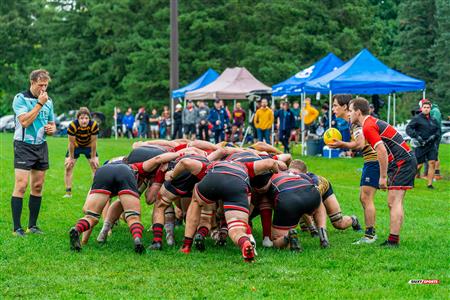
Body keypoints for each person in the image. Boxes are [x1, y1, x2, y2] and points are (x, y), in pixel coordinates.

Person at [350, 97, 417, 247]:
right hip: (402, 161)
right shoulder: (370, 123)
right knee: (393, 202)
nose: (349, 114)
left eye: (350, 110)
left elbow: (380, 150)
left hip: (402, 162)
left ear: (358, 112)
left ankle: (393, 241)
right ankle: (393, 240)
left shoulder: (368, 126)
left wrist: (382, 177)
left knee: (394, 202)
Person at [11, 69, 56, 236]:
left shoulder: (49, 101)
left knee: (37, 186)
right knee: (21, 185)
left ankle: (32, 226)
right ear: (32, 83)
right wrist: (39, 103)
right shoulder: (20, 98)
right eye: (40, 85)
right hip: (23, 146)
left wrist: (52, 129)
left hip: (41, 146)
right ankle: (17, 228)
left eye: (45, 85)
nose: (43, 89)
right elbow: (24, 122)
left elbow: (52, 124)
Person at [329, 94, 379, 244]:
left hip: (374, 160)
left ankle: (370, 235)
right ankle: (370, 233)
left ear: (345, 107)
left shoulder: (355, 123)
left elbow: (360, 144)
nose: (333, 109)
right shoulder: (352, 123)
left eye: (335, 105)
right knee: (364, 197)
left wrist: (342, 145)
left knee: (366, 198)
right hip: (370, 161)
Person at [64, 107, 100, 198]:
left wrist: (93, 157)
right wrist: (71, 158)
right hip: (75, 146)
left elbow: (94, 142)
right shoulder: (72, 126)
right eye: (81, 118)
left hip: (89, 146)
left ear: (89, 119)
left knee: (95, 167)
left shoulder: (94, 125)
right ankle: (68, 193)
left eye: (86, 118)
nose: (84, 121)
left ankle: (94, 192)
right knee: (68, 167)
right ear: (78, 119)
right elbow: (71, 143)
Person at [406, 100, 440, 189]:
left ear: (430, 109)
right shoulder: (417, 118)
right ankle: (410, 182)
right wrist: (417, 137)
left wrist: (433, 137)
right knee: (418, 165)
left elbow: (438, 131)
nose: (426, 109)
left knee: (432, 163)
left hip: (431, 145)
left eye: (428, 108)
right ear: (422, 108)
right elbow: (408, 128)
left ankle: (430, 184)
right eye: (424, 107)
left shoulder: (433, 120)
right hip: (420, 145)